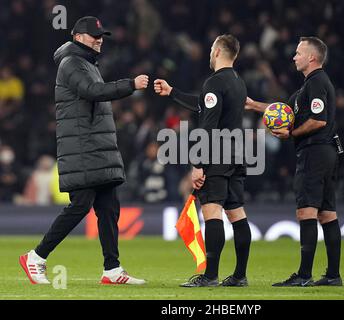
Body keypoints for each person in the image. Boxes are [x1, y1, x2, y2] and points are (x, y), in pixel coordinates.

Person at [19, 16, 149, 285]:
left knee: (109, 207)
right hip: (82, 148)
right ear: (78, 37)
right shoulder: (72, 63)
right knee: (80, 205)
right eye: (94, 35)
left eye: (101, 35)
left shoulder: (86, 62)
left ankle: (112, 270)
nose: (99, 39)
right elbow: (93, 91)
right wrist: (130, 85)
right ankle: (36, 257)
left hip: (94, 149)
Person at [154, 34, 251, 287]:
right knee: (237, 213)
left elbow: (207, 127)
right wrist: (172, 92)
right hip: (236, 154)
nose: (210, 53)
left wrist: (197, 164)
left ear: (218, 51)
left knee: (212, 212)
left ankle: (210, 276)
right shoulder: (239, 83)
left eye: (211, 49)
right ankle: (240, 275)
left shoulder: (214, 82)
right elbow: (203, 106)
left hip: (216, 156)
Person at [246, 37, 343, 286]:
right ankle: (333, 276)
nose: (294, 57)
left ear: (312, 57)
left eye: (298, 53)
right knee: (327, 214)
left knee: (306, 211)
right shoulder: (306, 88)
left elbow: (318, 120)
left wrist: (292, 134)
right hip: (326, 152)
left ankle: (304, 275)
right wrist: (253, 104)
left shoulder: (317, 82)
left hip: (315, 152)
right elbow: (282, 109)